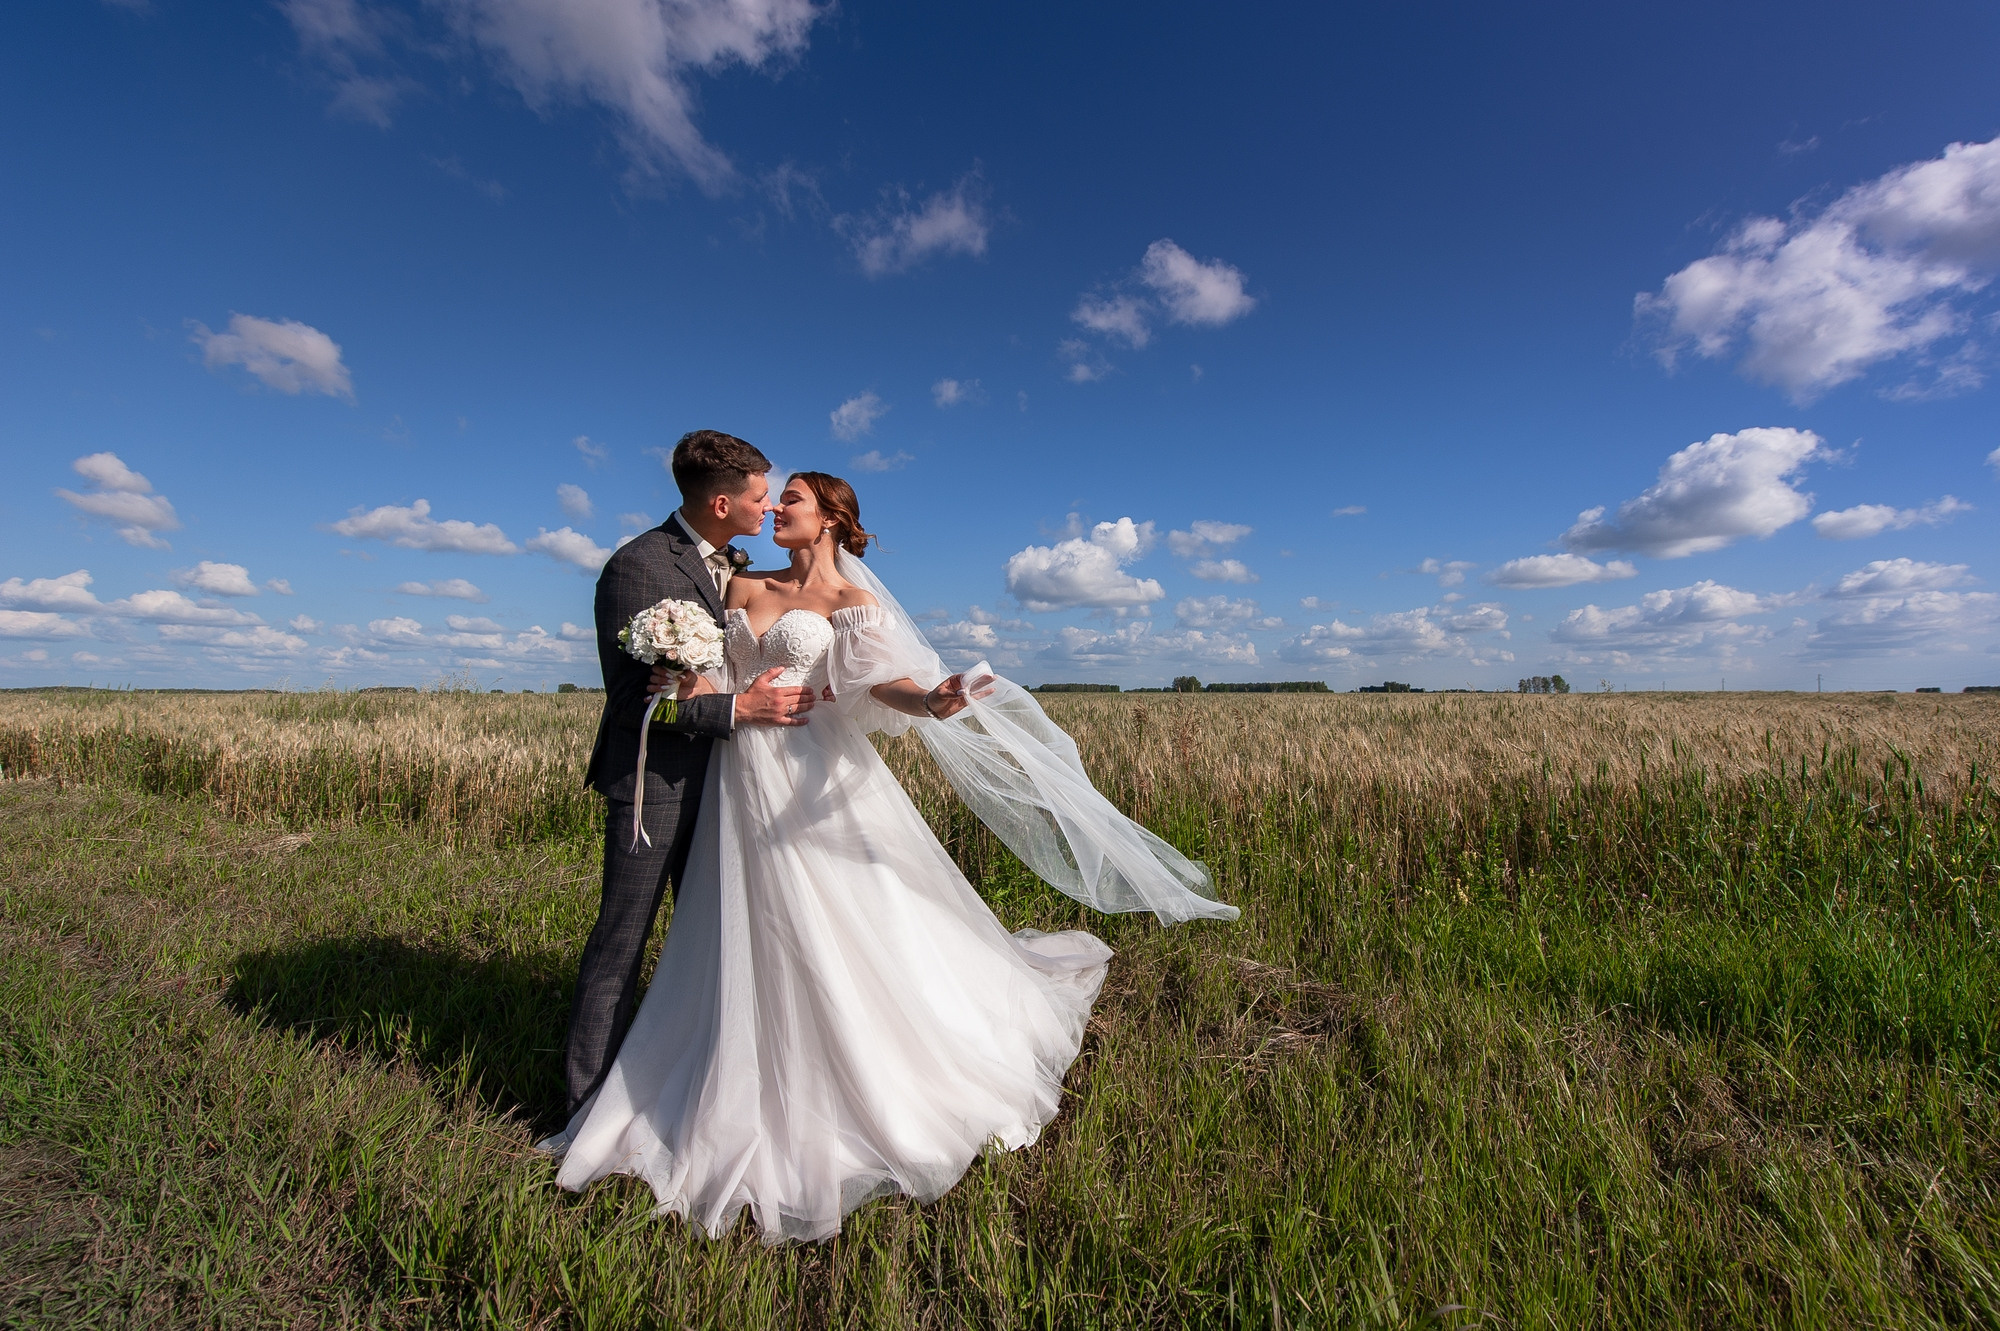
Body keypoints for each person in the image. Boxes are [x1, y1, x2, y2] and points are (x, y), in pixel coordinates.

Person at [546, 470, 1238, 1244]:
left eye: (793, 500)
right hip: (737, 776)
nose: (775, 508)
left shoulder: (851, 604)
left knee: (822, 927)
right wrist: (701, 686)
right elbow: (709, 673)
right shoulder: (739, 587)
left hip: (810, 779)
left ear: (833, 519)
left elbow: (887, 688)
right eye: (771, 499)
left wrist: (935, 700)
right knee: (735, 928)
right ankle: (722, 1061)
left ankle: (840, 1079)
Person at [565, 430, 818, 1121]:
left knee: (714, 941)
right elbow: (631, 707)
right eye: (761, 496)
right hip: (659, 785)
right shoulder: (638, 567)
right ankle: (584, 1106)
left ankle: (695, 1089)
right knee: (622, 940)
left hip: (732, 788)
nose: (767, 508)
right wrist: (739, 706)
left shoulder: (731, 563)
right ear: (720, 500)